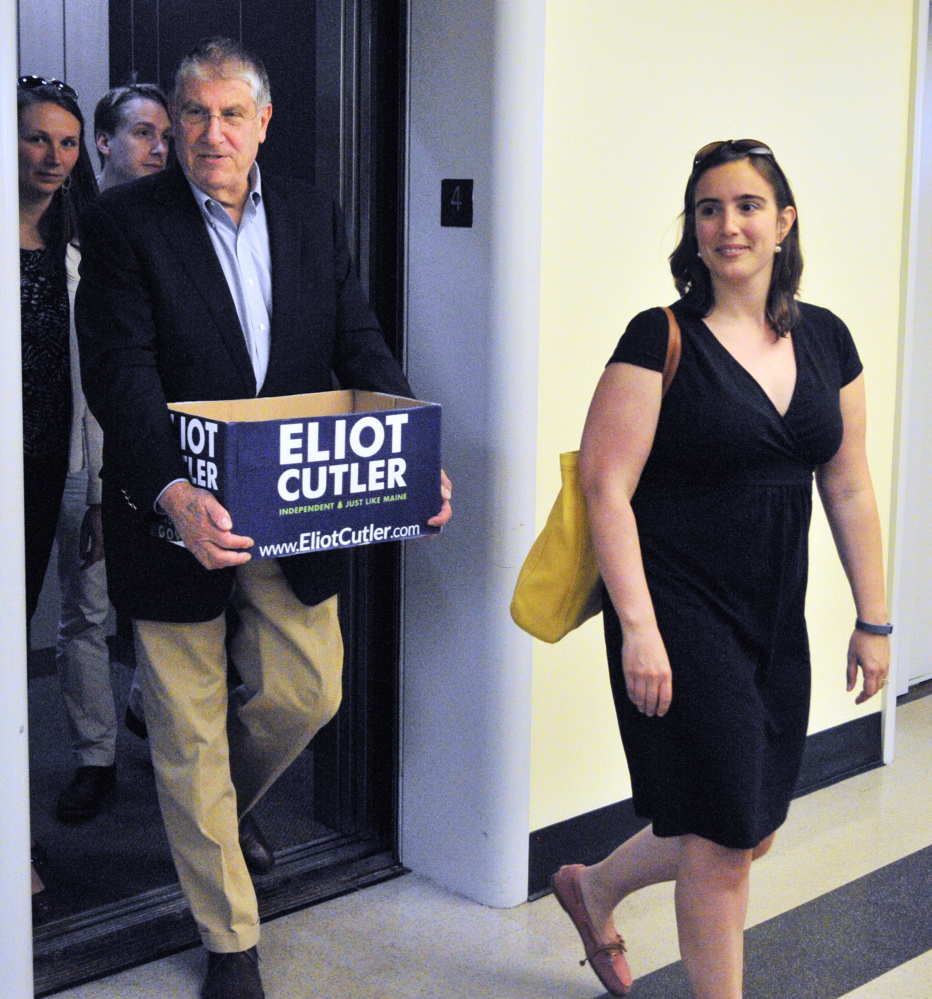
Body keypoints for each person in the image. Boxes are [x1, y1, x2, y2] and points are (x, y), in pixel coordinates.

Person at [76, 38, 451, 999]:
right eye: (192, 113)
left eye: (230, 114)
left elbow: (358, 341)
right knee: (188, 726)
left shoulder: (313, 215)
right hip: (173, 512)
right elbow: (123, 375)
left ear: (263, 122)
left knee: (306, 691)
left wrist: (406, 455)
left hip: (293, 506)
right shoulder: (125, 224)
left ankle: (214, 815)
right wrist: (173, 492)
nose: (210, 133)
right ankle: (231, 935)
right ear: (175, 120)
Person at [551, 139, 890, 999]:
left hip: (773, 613)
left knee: (748, 829)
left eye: (746, 206)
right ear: (693, 231)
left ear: (784, 222)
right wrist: (639, 628)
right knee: (725, 846)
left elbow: (847, 485)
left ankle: (592, 887)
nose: (728, 224)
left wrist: (874, 615)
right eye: (709, 209)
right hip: (678, 610)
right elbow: (606, 487)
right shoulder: (659, 338)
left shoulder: (828, 341)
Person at [18, 75, 100, 896]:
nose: (53, 157)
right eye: (37, 138)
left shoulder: (81, 239)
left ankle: (18, 837)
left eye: (66, 143)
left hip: (50, 467)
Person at [94, 83, 171, 192]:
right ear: (105, 143)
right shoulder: (75, 206)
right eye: (143, 133)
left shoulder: (178, 206)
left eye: (165, 136)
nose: (161, 149)